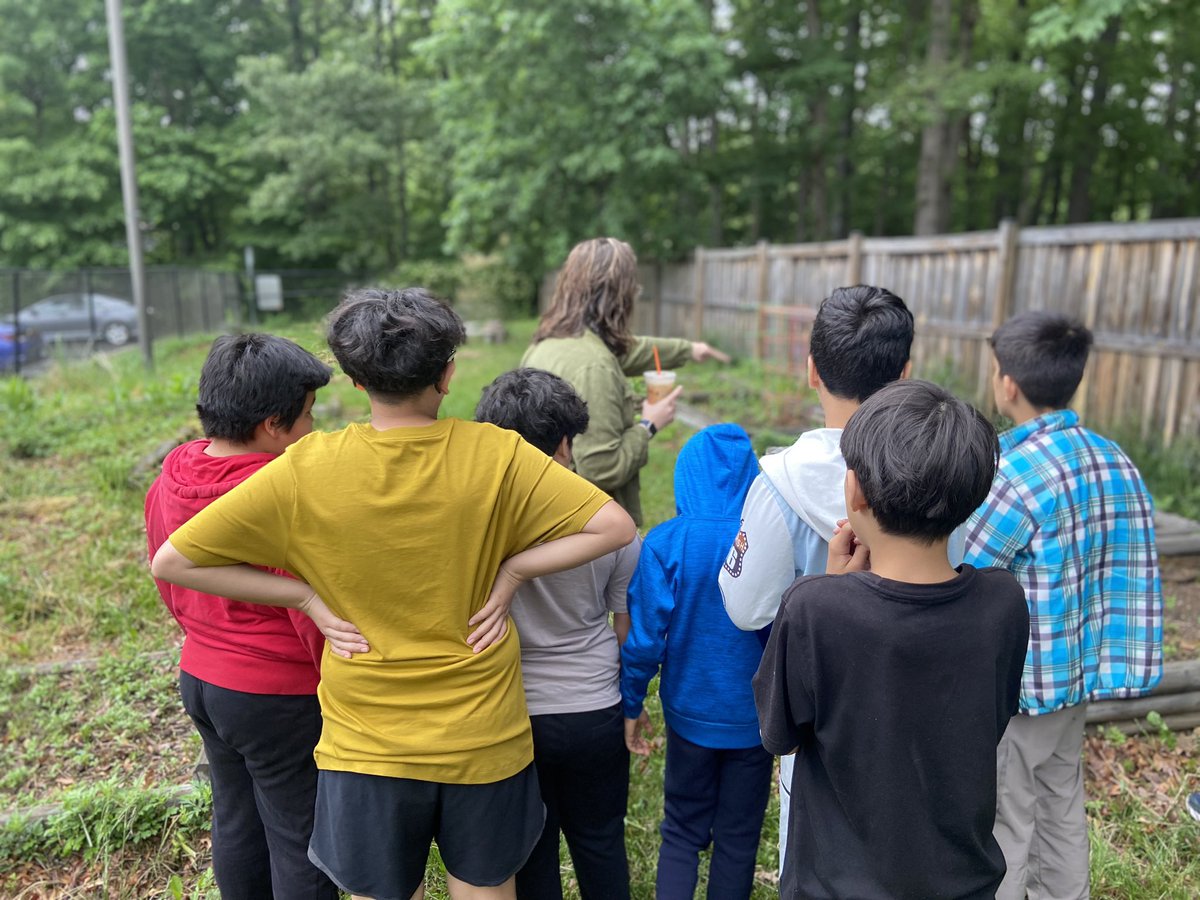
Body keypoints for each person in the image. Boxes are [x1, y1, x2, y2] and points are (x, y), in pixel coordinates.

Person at [150, 288, 638, 900]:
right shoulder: (497, 453)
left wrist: (306, 599)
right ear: (449, 373)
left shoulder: (307, 466)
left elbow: (176, 561)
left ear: (354, 381)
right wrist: (511, 573)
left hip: (365, 745)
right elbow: (613, 527)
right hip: (482, 737)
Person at [754, 379, 1031, 899]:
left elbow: (778, 731)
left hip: (834, 886)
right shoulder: (1003, 603)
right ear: (972, 498)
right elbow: (990, 717)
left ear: (853, 490)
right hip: (962, 882)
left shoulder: (814, 607)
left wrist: (834, 590)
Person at [964, 311, 1163, 900]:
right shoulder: (1113, 458)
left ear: (1007, 383)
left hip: (1021, 687)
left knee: (1006, 820)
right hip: (1077, 676)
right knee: (1062, 805)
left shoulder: (1012, 473)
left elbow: (970, 567)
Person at [718, 284, 913, 863]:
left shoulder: (779, 482)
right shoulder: (943, 467)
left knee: (813, 854)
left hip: (820, 710)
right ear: (905, 373)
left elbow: (744, 605)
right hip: (922, 697)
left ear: (810, 370)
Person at [145, 333, 338, 900]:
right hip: (277, 695)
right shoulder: (273, 494)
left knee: (235, 818)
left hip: (201, 679)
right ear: (273, 424)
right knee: (301, 836)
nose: (312, 429)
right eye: (307, 416)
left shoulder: (173, 475)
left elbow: (168, 574)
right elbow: (309, 611)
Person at [475, 367, 640, 900]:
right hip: (593, 706)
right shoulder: (608, 521)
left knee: (532, 852)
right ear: (565, 443)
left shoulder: (475, 521)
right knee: (600, 843)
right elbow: (622, 629)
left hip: (512, 712)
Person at [620, 423, 770, 900]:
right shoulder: (769, 542)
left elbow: (644, 641)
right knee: (739, 838)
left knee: (681, 830)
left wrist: (631, 702)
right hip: (753, 721)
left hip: (689, 715)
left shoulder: (666, 543)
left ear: (686, 477)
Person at [522, 236, 730, 526]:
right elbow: (602, 469)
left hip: (546, 516)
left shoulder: (550, 344)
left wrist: (689, 350)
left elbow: (629, 349)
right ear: (619, 296)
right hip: (590, 533)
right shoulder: (594, 367)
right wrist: (649, 424)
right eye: (633, 287)